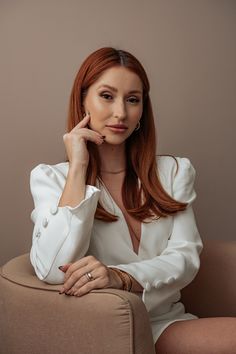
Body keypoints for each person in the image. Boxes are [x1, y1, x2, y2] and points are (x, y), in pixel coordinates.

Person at [29, 47, 236, 353]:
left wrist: (121, 276)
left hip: (166, 323)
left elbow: (185, 259)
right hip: (103, 332)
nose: (121, 113)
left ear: (142, 109)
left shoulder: (173, 172)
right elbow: (52, 269)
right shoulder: (52, 178)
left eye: (133, 99)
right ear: (82, 99)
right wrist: (78, 167)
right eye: (107, 96)